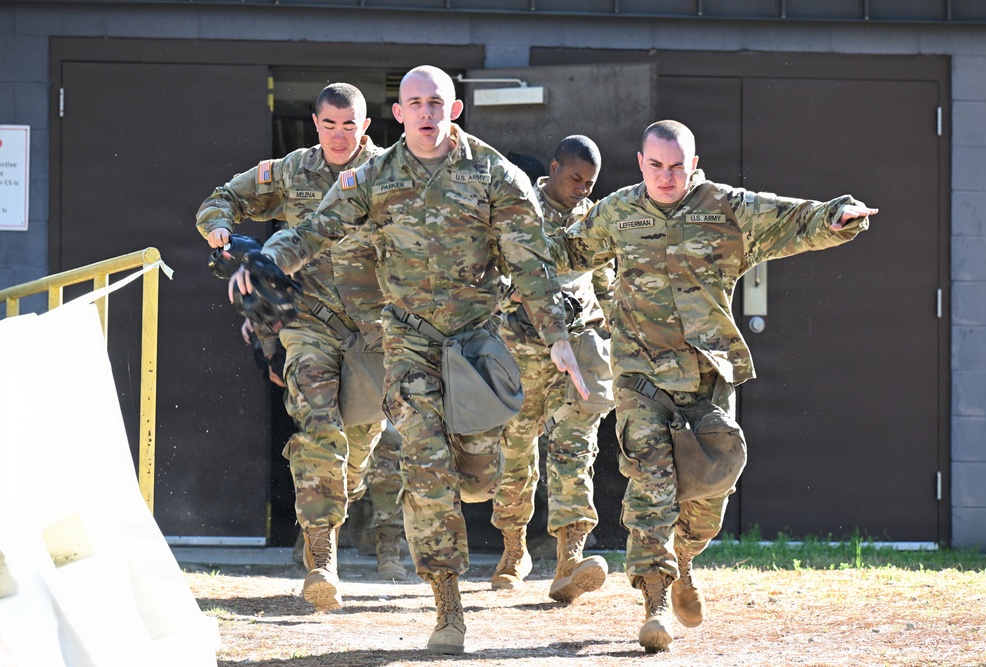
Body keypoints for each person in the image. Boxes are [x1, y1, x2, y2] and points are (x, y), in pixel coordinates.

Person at [230, 65, 588, 655]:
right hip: (408, 342)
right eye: (414, 103)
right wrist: (266, 262)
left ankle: (475, 478)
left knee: (477, 472)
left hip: (475, 342)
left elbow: (531, 263)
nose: (426, 112)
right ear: (398, 113)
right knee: (426, 468)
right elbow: (317, 229)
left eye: (436, 102)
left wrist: (557, 336)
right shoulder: (376, 176)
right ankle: (448, 607)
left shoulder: (494, 174)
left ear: (456, 109)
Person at [549, 119, 877, 653]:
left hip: (708, 377)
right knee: (651, 489)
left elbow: (791, 219)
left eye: (678, 166)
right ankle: (654, 606)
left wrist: (837, 217)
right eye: (656, 166)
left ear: (694, 164)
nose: (667, 176)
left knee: (707, 495)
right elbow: (562, 253)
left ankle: (685, 560)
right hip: (641, 378)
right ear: (640, 164)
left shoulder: (725, 207)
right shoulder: (618, 212)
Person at [196, 82, 405, 611]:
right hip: (306, 320)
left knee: (358, 451)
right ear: (316, 124)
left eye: (350, 125)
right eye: (330, 125)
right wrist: (222, 234)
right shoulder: (291, 171)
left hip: (372, 329)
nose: (340, 135)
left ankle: (332, 507)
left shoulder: (391, 171)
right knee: (319, 430)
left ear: (366, 125)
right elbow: (221, 199)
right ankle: (322, 561)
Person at [490, 135, 615, 603]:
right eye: (574, 178)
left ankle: (569, 558)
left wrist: (614, 325)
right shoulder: (519, 210)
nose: (581, 188)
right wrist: (519, 294)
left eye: (590, 182)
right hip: (522, 346)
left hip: (580, 350)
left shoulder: (593, 217)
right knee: (517, 451)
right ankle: (514, 549)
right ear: (555, 166)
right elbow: (490, 277)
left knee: (574, 449)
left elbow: (606, 280)